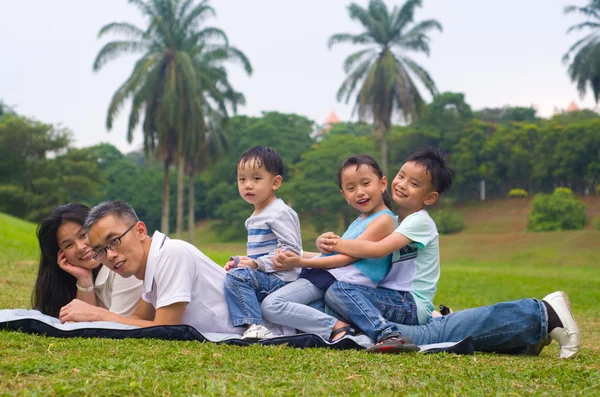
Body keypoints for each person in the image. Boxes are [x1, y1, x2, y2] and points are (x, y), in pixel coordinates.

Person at [322, 148, 452, 352]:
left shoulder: (420, 221)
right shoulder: (396, 220)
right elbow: (355, 254)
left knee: (339, 290)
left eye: (414, 184)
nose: (402, 184)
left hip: (410, 302)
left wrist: (333, 243)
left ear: (430, 198)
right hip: (391, 295)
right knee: (335, 295)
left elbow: (376, 250)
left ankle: (388, 335)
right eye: (401, 176)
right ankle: (436, 315)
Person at [262, 155, 399, 342]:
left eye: (366, 183)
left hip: (336, 280)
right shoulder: (361, 220)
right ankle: (344, 328)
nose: (359, 192)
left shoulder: (384, 220)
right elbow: (337, 254)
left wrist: (300, 261)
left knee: (271, 305)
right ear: (344, 194)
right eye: (351, 188)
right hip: (329, 278)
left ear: (382, 183)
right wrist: (305, 252)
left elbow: (346, 259)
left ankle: (338, 328)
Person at [58, 200, 243, 335]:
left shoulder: (171, 253)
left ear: (140, 230)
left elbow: (165, 329)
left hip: (248, 335)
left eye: (114, 241)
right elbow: (139, 320)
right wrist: (91, 318)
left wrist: (99, 316)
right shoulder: (150, 267)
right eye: (100, 251)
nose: (110, 255)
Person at [223, 146, 302, 340]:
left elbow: (290, 251)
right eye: (242, 179)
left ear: (275, 182)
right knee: (230, 274)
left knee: (237, 277)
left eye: (256, 179)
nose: (247, 185)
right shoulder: (256, 216)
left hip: (281, 278)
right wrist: (240, 261)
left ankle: (255, 325)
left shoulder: (279, 212)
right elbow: (258, 255)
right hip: (265, 274)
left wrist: (256, 265)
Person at [32, 203, 143, 318]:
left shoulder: (122, 266)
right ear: (61, 254)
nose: (80, 247)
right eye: (69, 245)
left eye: (83, 235)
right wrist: (84, 279)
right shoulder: (76, 279)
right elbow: (84, 328)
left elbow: (117, 328)